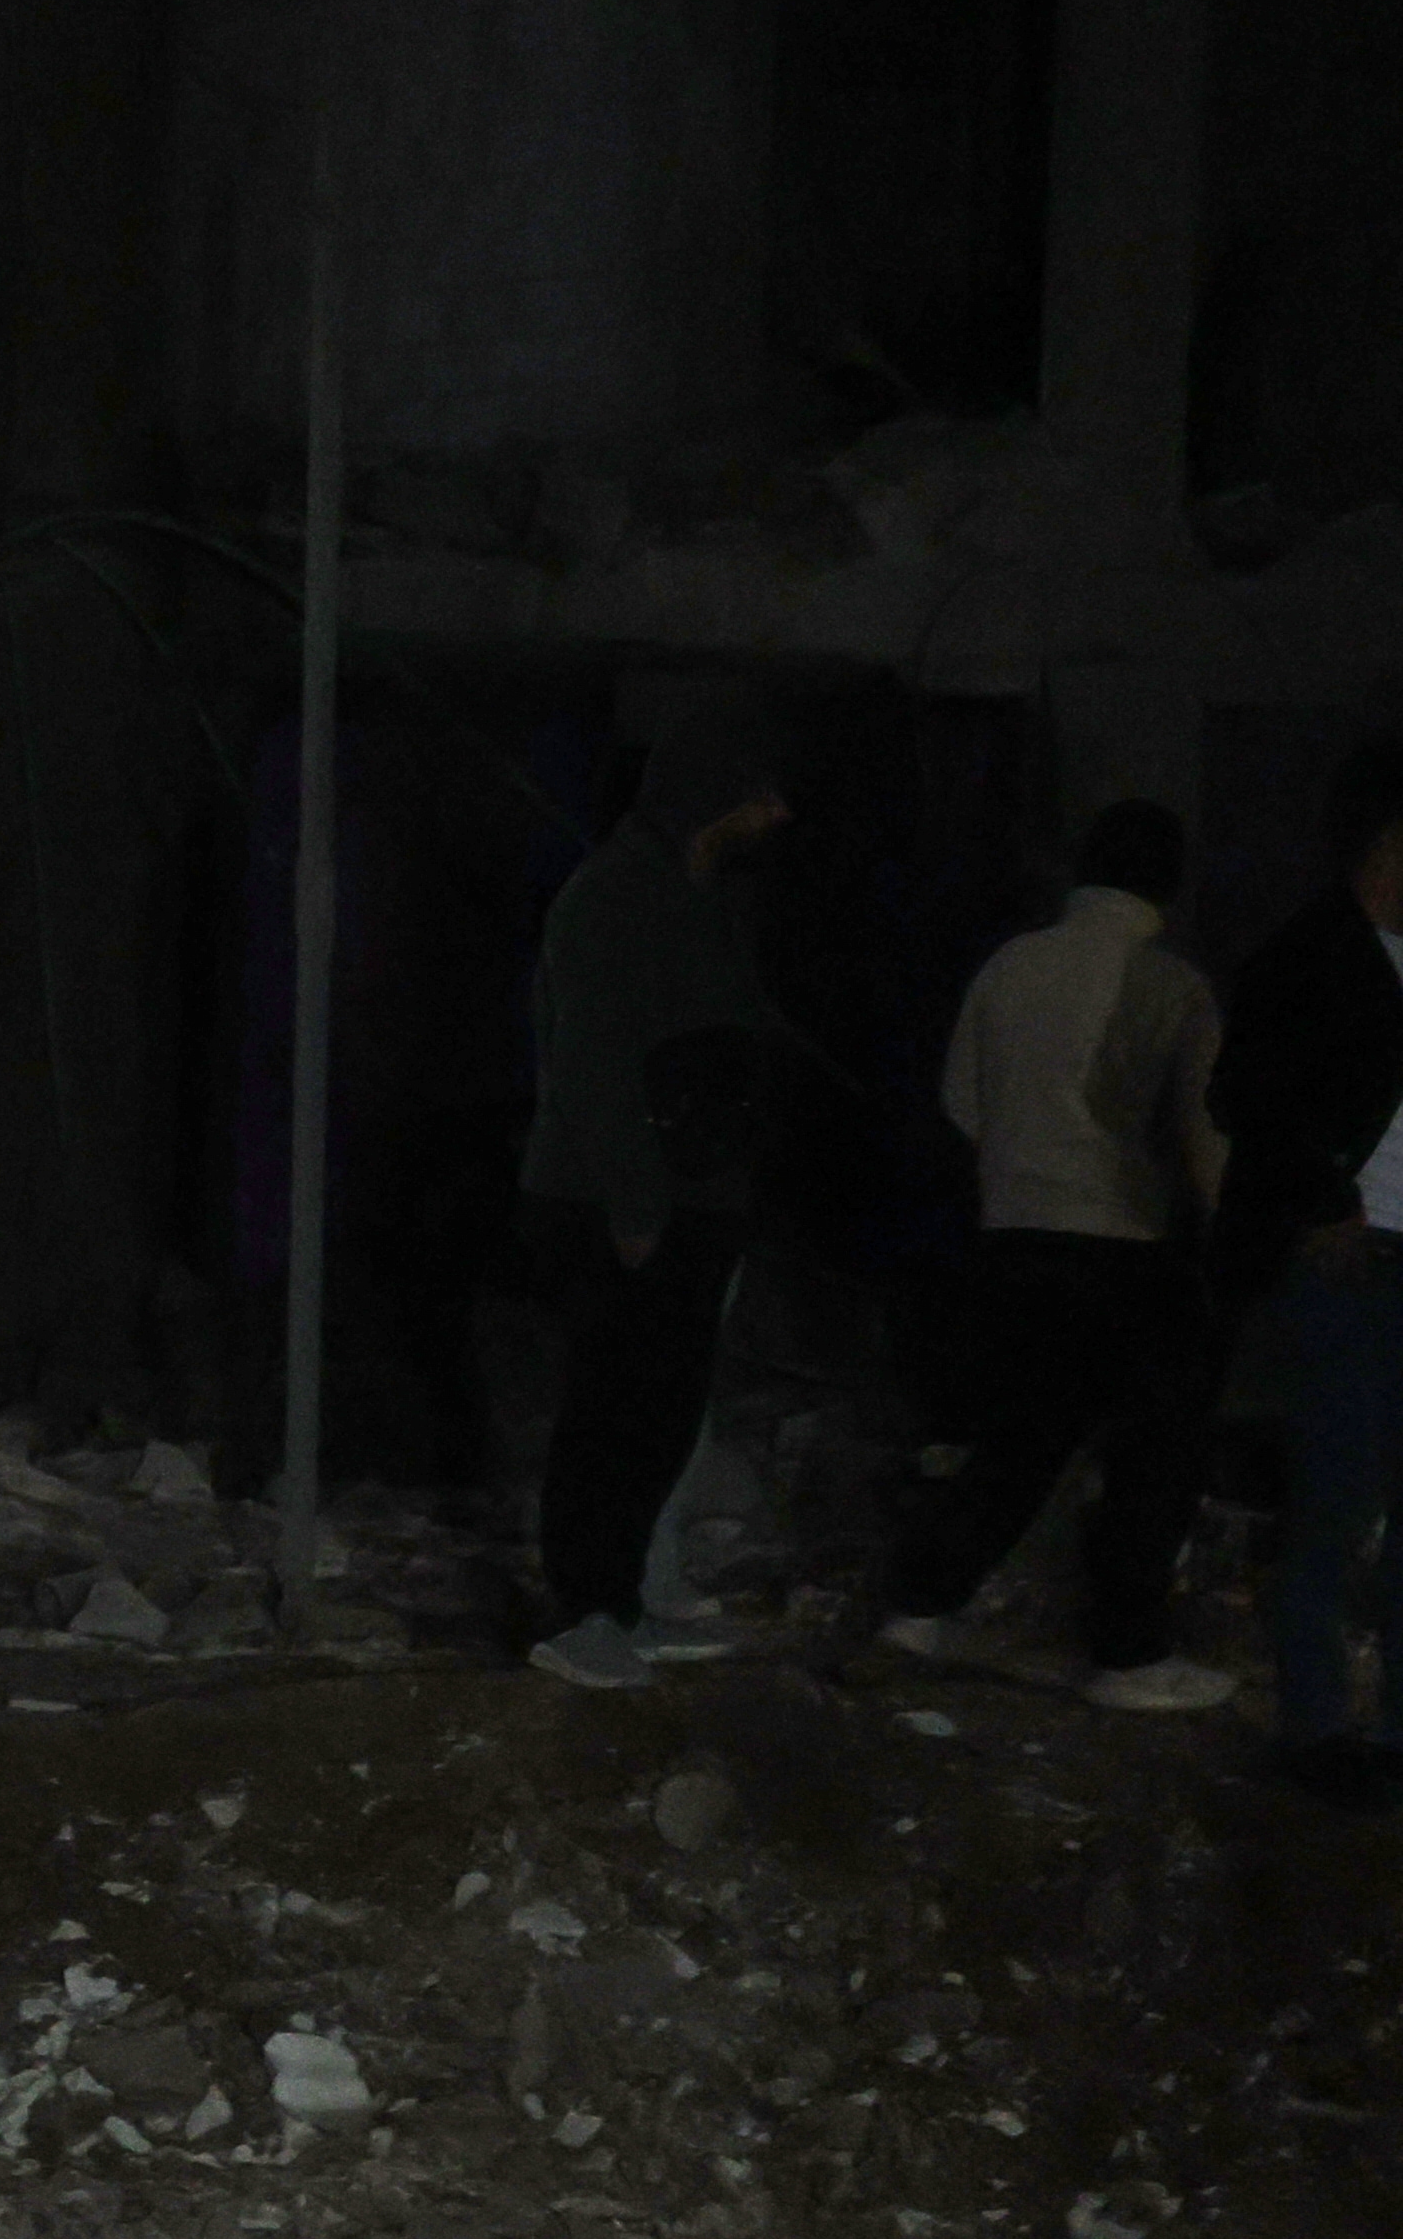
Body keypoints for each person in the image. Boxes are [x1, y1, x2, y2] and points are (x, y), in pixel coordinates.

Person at [873, 801, 1232, 1711]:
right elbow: (1202, 1143)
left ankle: (915, 1609)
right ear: (1168, 885)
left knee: (1017, 1442)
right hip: (1124, 1246)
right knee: (1156, 1453)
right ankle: (1127, 1653)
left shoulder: (1008, 966)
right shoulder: (1175, 986)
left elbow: (963, 1104)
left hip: (1012, 1238)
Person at [519, 712, 793, 1690]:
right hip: (620, 1205)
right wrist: (636, 1207)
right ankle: (586, 1611)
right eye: (758, 796)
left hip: (695, 1199)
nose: (773, 815)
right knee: (613, 1410)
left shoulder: (693, 896)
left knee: (664, 1412)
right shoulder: (609, 899)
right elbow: (597, 1065)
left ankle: (624, 1599)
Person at [1206, 737, 1403, 1798]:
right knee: (1334, 1497)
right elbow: (1245, 1098)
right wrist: (1322, 1197)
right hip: (1348, 1257)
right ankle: (1319, 1732)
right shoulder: (1310, 956)